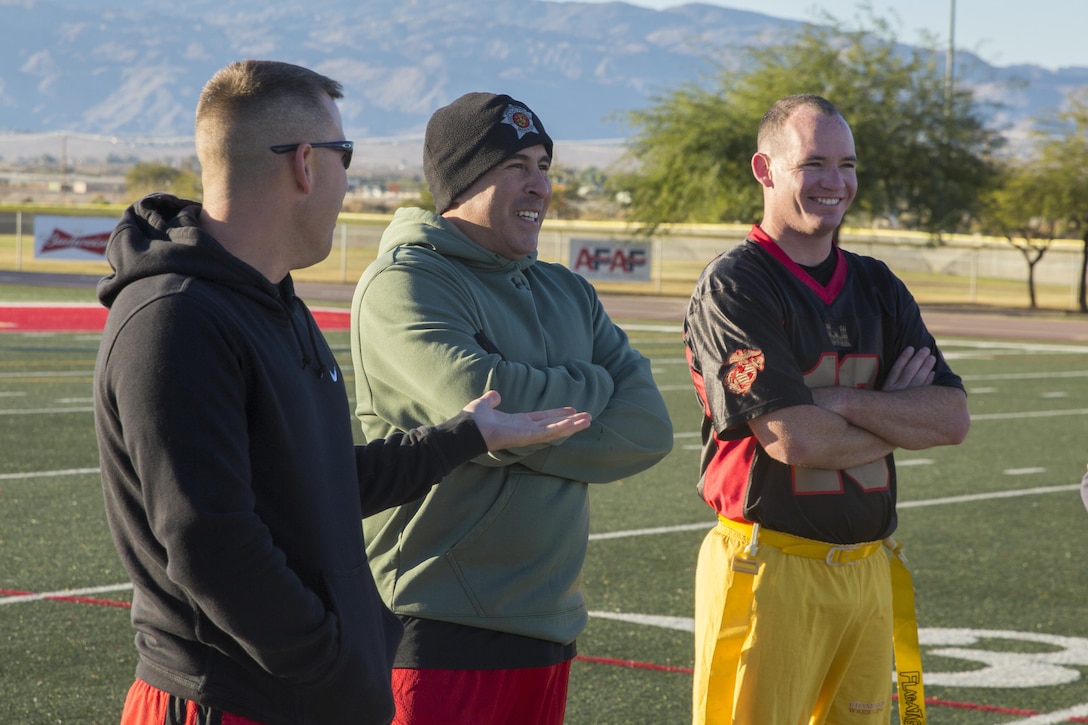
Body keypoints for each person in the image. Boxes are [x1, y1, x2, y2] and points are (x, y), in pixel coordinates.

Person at [93, 61, 592, 725]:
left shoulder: (273, 304)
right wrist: (332, 668)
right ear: (305, 164)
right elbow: (210, 544)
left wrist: (466, 435)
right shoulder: (176, 318)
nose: (347, 180)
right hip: (236, 703)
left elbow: (321, 480)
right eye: (345, 156)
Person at [349, 92, 674, 724]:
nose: (540, 186)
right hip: (435, 619)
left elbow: (648, 429)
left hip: (548, 624)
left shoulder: (569, 291)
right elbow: (474, 398)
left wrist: (512, 437)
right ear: (463, 179)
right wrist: (594, 385)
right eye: (515, 167)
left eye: (544, 166)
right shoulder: (405, 282)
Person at [683, 94, 971, 725]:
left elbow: (950, 419)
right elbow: (796, 440)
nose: (835, 183)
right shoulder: (736, 285)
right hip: (768, 567)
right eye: (814, 163)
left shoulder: (877, 284)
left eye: (847, 164)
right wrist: (895, 413)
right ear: (766, 170)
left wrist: (839, 402)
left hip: (869, 567)